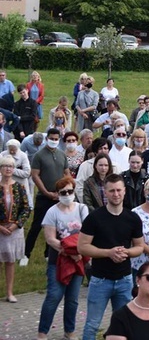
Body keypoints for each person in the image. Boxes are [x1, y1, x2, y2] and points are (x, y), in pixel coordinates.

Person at [78, 174, 144, 340]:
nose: (116, 194)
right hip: (100, 279)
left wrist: (126, 252)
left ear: (124, 192)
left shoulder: (133, 218)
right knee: (92, 325)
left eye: (119, 190)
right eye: (112, 191)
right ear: (105, 193)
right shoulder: (94, 218)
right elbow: (82, 247)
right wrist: (108, 252)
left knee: (124, 325)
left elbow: (140, 247)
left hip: (124, 279)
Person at [37, 176, 88, 340]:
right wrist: (69, 253)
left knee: (72, 299)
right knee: (54, 296)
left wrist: (79, 253)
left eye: (69, 191)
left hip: (79, 259)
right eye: (63, 192)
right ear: (58, 194)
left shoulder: (82, 209)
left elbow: (87, 233)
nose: (67, 194)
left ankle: (70, 331)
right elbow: (51, 239)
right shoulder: (52, 212)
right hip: (58, 260)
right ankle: (42, 332)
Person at [23, 129, 69, 266]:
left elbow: (66, 173)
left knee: (56, 227)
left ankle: (48, 254)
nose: (54, 141)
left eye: (56, 138)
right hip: (44, 197)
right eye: (51, 138)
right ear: (47, 138)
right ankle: (26, 254)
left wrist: (63, 192)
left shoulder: (62, 155)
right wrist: (46, 192)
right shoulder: (39, 155)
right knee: (36, 225)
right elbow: (35, 175)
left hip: (59, 197)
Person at [0, 156, 30, 303]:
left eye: (10, 166)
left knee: (10, 261)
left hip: (14, 230)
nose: (7, 169)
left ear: (14, 169)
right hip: (0, 229)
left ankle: (9, 292)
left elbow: (26, 209)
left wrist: (15, 225)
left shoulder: (20, 187)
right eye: (5, 166)